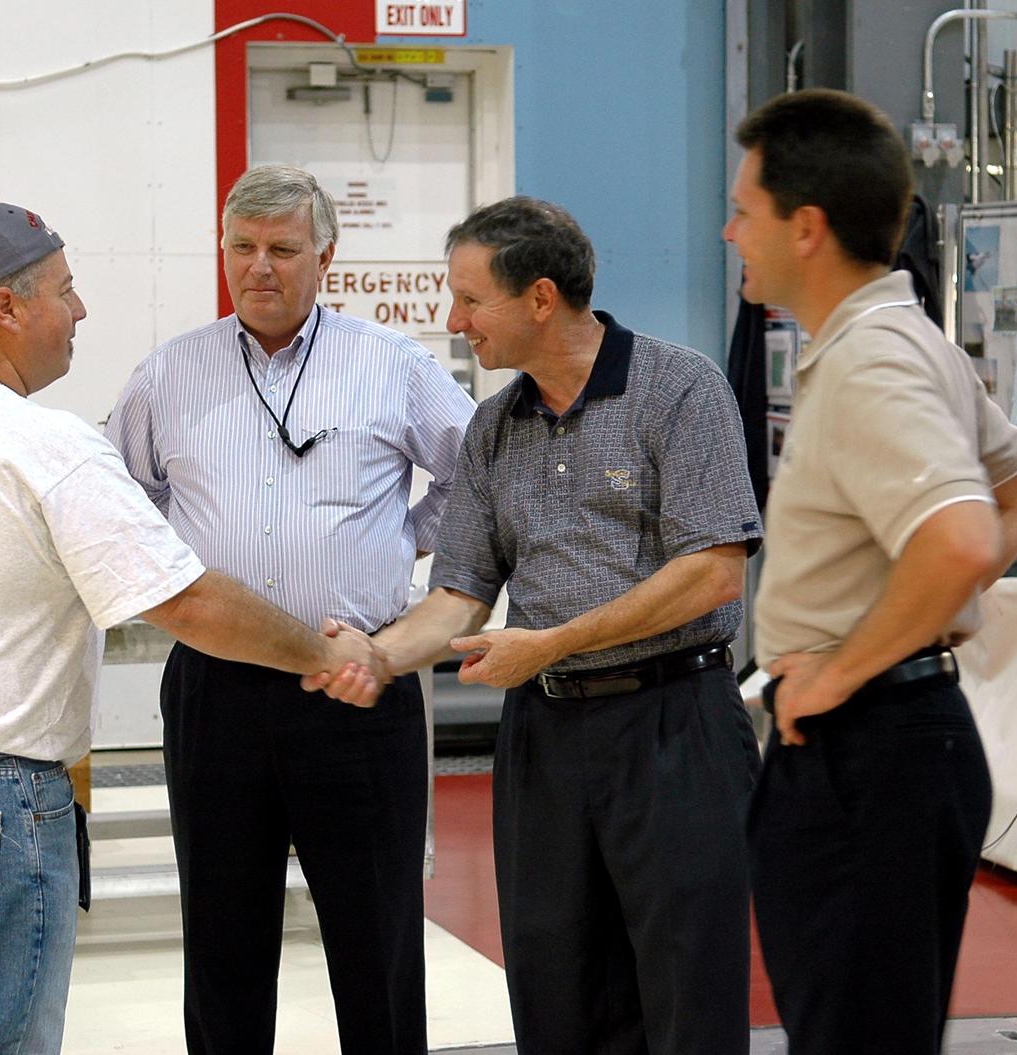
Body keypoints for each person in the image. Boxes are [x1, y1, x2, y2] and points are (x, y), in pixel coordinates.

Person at [0, 202, 382, 1055]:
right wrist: (322, 650)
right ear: (6, 309)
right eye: (65, 289)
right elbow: (187, 601)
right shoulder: (43, 445)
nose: (80, 311)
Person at [317, 195, 764, 1055]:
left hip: (675, 725)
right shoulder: (491, 427)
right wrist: (373, 655)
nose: (455, 322)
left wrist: (551, 643)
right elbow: (458, 597)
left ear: (541, 298)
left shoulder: (680, 389)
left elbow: (711, 571)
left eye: (470, 300)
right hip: (546, 740)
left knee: (686, 998)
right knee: (554, 993)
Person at [105, 164, 474, 1055]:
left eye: (282, 248)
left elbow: (479, 475)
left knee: (376, 933)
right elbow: (119, 498)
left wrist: (403, 537)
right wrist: (181, 578)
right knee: (224, 936)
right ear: (221, 251)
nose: (259, 266)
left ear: (326, 257)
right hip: (216, 687)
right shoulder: (169, 374)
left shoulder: (393, 365)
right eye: (242, 247)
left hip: (356, 678)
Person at [724, 89, 1017, 1055]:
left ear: (808, 226)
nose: (730, 229)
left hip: (867, 750)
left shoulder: (873, 361)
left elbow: (960, 538)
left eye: (746, 209)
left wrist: (843, 665)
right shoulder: (904, 341)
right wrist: (925, 623)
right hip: (894, 741)